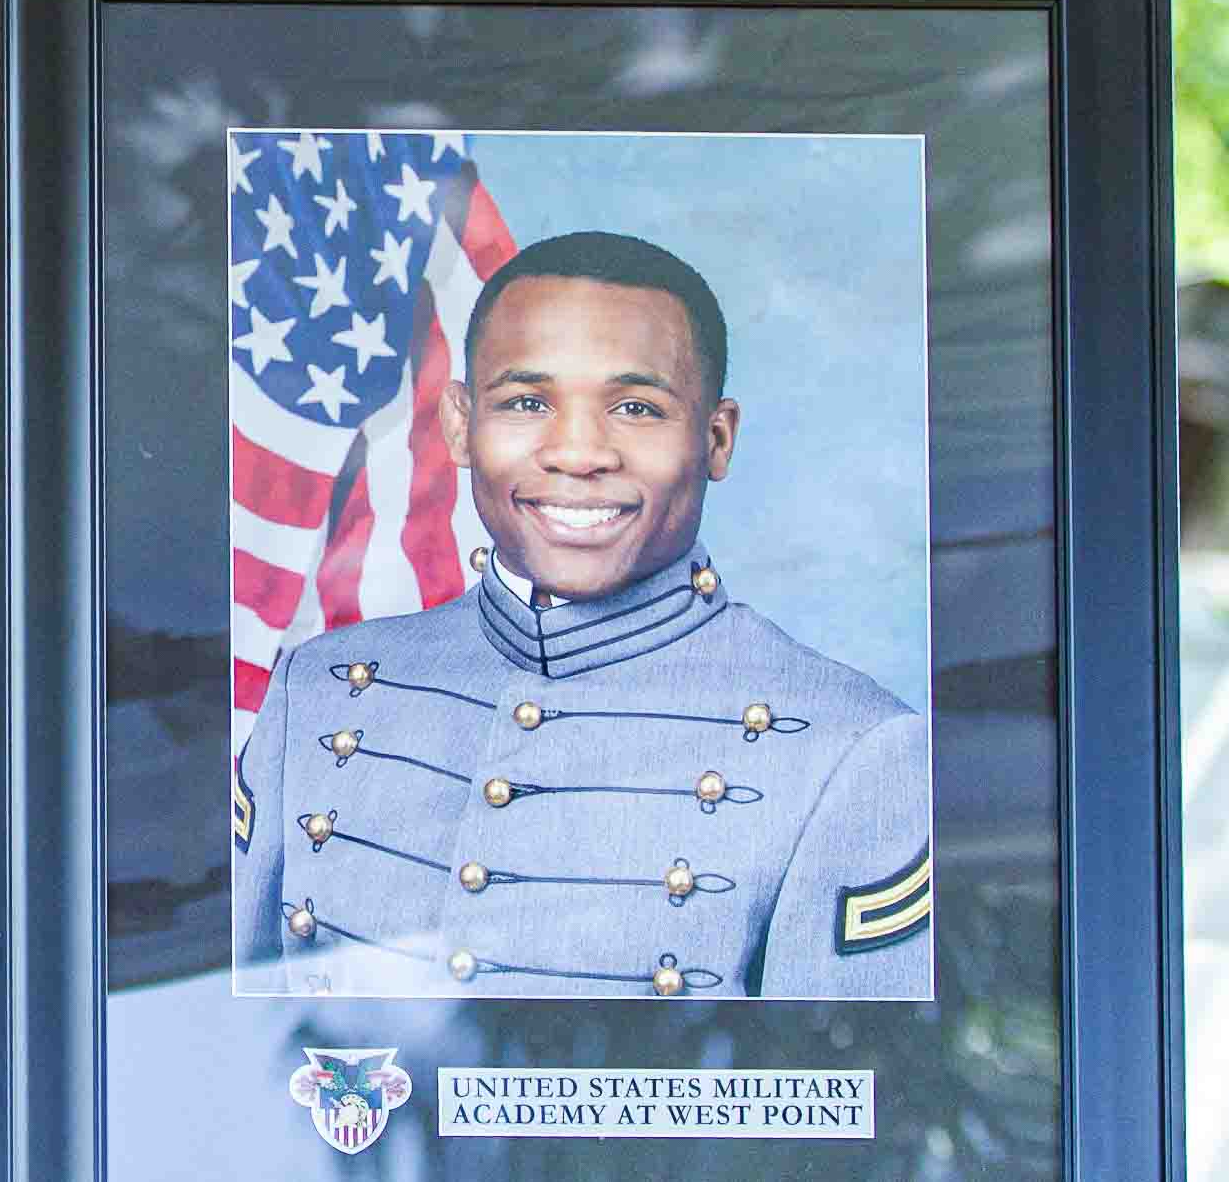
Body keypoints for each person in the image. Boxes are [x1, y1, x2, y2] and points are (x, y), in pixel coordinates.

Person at [232, 231, 929, 998]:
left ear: (716, 437)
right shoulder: (319, 687)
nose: (577, 452)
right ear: (460, 424)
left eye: (636, 407)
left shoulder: (857, 749)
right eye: (527, 402)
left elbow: (835, 1097)